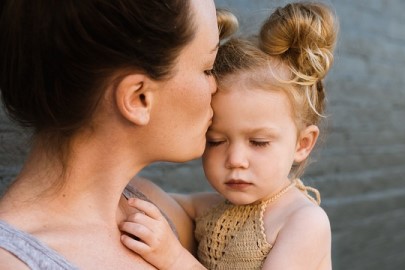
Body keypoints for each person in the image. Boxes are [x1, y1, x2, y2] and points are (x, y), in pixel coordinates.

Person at [0, 0, 234, 269]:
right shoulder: (14, 263)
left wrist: (292, 219)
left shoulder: (152, 206)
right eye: (207, 69)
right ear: (138, 98)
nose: (216, 86)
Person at [121, 2, 338, 269]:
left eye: (258, 142)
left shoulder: (302, 221)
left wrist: (174, 258)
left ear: (302, 144)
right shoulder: (212, 209)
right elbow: (149, 196)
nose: (235, 159)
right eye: (216, 141)